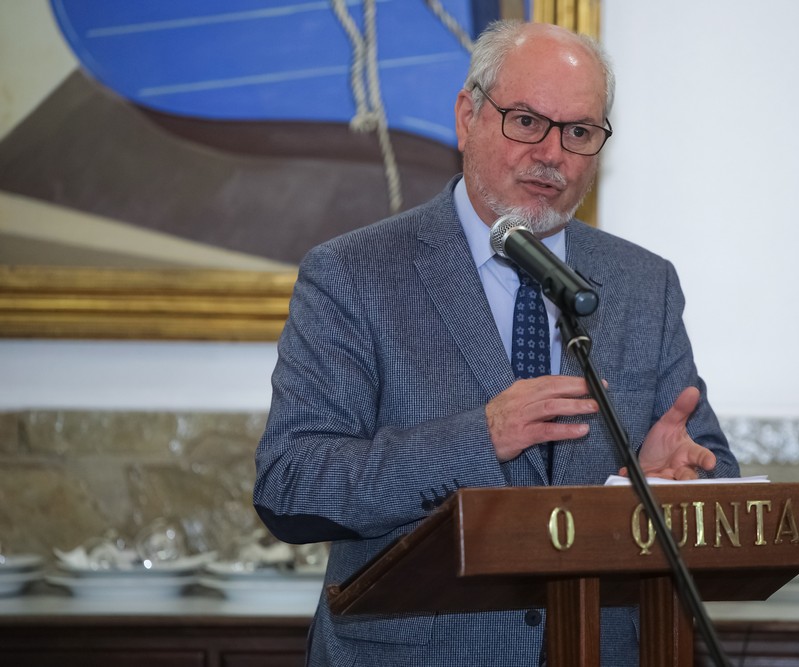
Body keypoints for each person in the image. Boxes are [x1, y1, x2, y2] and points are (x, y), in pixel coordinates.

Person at [254, 19, 740, 667]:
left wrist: (663, 478)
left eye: (579, 132)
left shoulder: (642, 284)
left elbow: (715, 471)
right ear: (467, 116)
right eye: (526, 121)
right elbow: (292, 486)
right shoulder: (355, 274)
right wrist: (477, 438)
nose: (552, 153)